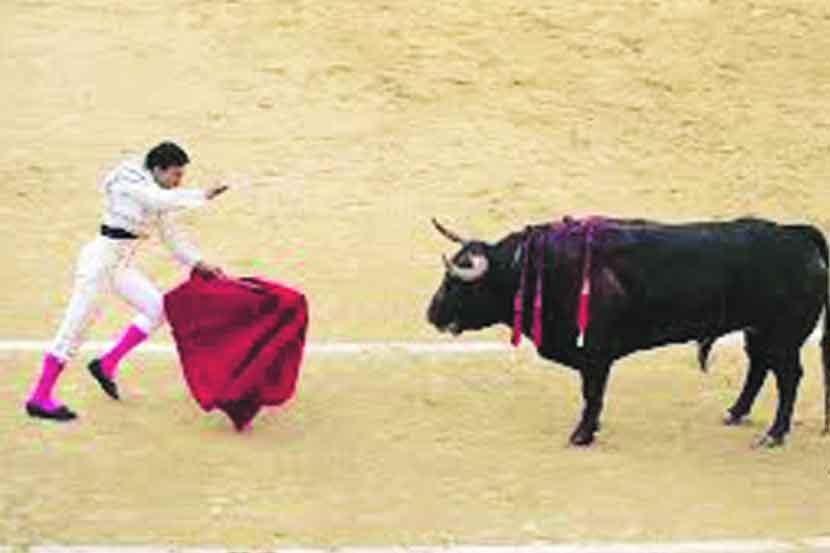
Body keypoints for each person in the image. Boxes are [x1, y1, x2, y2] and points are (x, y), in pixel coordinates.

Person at [25, 141, 230, 421]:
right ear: (158, 169)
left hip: (120, 265)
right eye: (176, 174)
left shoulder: (157, 191)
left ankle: (106, 364)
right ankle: (39, 397)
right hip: (100, 264)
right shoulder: (131, 181)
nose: (179, 181)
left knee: (158, 308)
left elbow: (171, 236)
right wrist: (202, 195)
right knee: (74, 329)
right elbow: (157, 200)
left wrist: (199, 263)